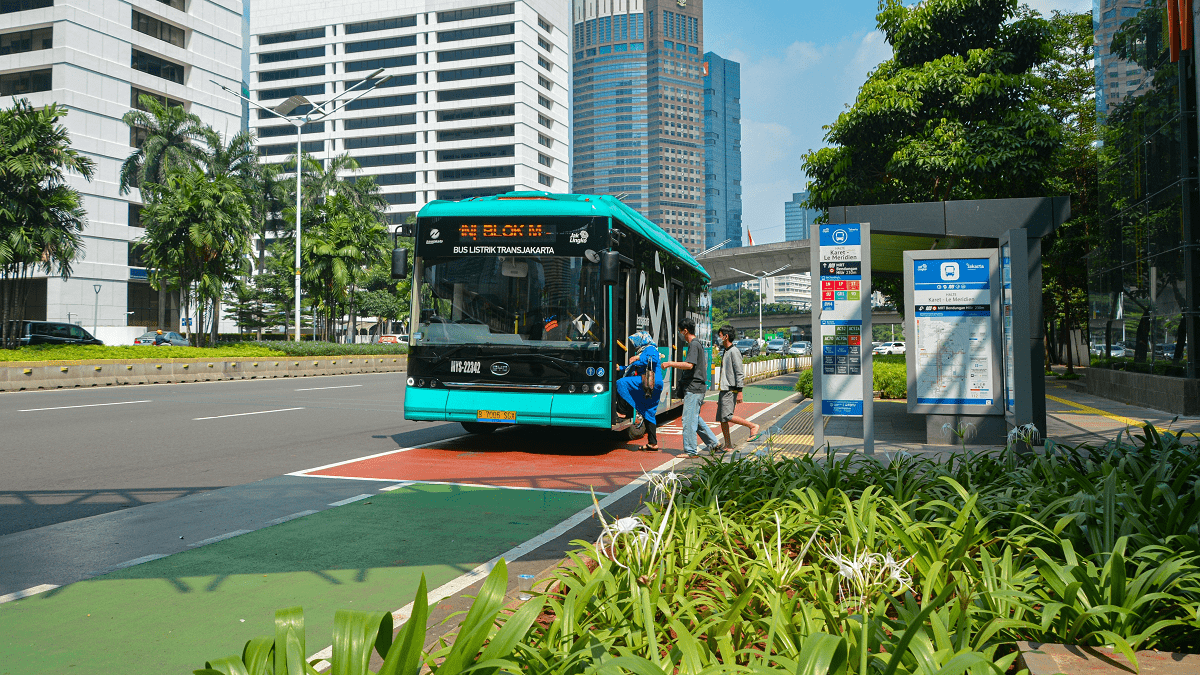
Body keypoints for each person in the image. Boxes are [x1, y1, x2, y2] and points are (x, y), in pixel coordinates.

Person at [663, 317, 721, 456]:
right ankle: (713, 443)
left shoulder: (694, 344)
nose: (679, 334)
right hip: (696, 387)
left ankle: (690, 451)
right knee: (694, 418)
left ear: (685, 331)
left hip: (694, 387)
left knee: (688, 420)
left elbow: (689, 365)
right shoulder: (696, 344)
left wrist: (670, 363)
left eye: (680, 331)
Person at [615, 331, 664, 450]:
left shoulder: (650, 348)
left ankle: (622, 411)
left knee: (621, 383)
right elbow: (633, 366)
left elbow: (651, 359)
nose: (635, 345)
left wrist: (638, 357)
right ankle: (652, 443)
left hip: (650, 381)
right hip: (654, 383)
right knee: (649, 411)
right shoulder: (647, 350)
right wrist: (620, 368)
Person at [716, 325, 761, 448]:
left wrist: (740, 391)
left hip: (731, 389)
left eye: (720, 335)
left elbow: (739, 372)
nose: (718, 338)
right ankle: (728, 445)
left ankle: (752, 426)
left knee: (727, 416)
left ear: (726, 336)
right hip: (724, 388)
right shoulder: (725, 351)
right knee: (722, 418)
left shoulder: (734, 351)